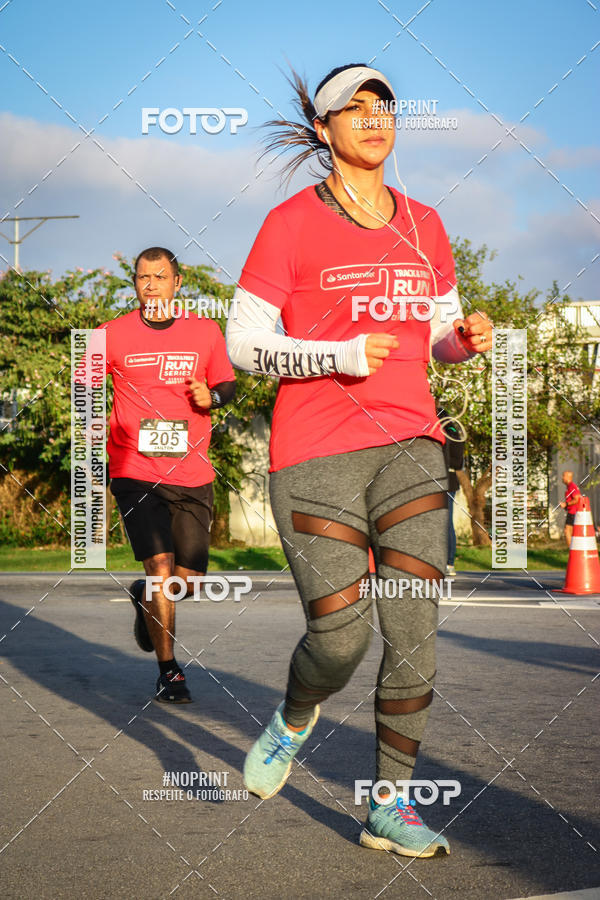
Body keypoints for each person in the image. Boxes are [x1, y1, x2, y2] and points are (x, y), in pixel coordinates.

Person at [226, 64, 493, 858]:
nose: (375, 117)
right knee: (339, 639)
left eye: (385, 105)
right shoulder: (289, 224)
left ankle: (390, 806)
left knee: (413, 632)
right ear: (323, 129)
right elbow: (242, 343)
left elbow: (438, 335)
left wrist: (462, 341)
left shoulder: (426, 223)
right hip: (315, 453)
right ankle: (297, 713)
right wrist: (337, 353)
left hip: (412, 444)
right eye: (356, 107)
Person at [100, 247, 235, 702]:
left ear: (179, 282)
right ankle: (169, 670)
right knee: (160, 568)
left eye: (160, 276)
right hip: (135, 469)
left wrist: (209, 398)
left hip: (191, 471)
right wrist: (96, 422)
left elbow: (227, 387)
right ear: (135, 283)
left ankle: (146, 597)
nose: (151, 284)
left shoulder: (205, 331)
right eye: (142, 277)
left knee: (185, 581)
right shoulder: (111, 334)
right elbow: (83, 384)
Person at [437, 409, 465, 578]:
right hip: (449, 479)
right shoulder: (455, 431)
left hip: (442, 479)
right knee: (447, 523)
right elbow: (459, 461)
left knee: (444, 523)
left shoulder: (443, 431)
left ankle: (447, 562)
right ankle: (449, 563)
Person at [559, 470, 581, 547]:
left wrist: (566, 504)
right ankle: (573, 549)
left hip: (573, 512)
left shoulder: (572, 486)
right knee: (571, 531)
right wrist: (566, 506)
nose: (562, 478)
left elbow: (577, 499)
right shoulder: (569, 487)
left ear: (568, 477)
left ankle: (571, 550)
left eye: (563, 476)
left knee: (567, 531)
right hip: (571, 511)